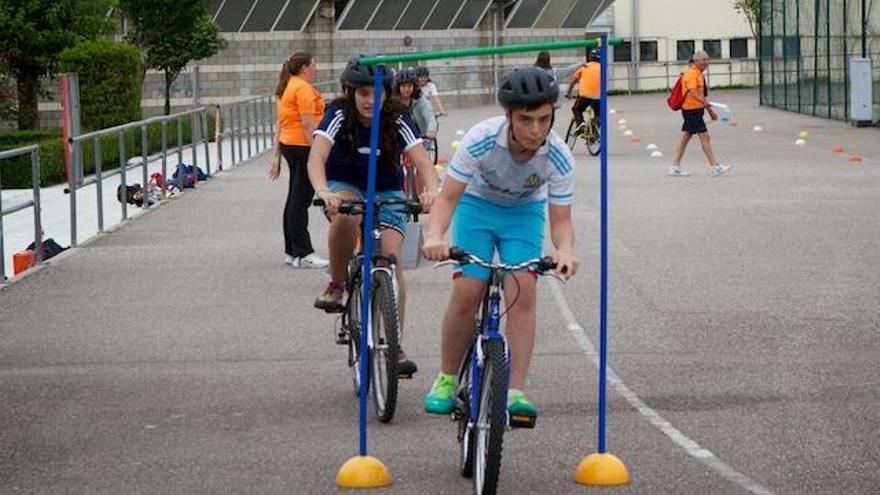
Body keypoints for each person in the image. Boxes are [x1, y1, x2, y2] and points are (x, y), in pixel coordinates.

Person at [422, 67, 579, 421]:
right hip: (476, 207)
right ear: (508, 116)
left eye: (543, 119)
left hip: (523, 214)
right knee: (468, 288)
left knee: (523, 289)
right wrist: (434, 237)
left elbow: (561, 221)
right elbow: (447, 199)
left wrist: (565, 251)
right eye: (525, 120)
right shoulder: (480, 139)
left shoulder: (557, 155)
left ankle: (514, 391)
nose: (536, 129)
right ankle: (446, 378)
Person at [307, 58, 439, 376]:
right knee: (345, 218)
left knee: (391, 261)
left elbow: (422, 160)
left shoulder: (398, 118)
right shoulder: (338, 114)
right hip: (345, 186)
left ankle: (395, 344)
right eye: (363, 93)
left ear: (387, 94)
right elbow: (316, 157)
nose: (370, 100)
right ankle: (338, 283)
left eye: (376, 93)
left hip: (387, 190)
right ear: (350, 92)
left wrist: (431, 191)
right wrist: (325, 191)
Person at [269, 51, 329, 268]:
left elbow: (280, 122)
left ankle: (292, 251)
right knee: (301, 201)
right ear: (305, 67)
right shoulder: (302, 88)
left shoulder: (286, 86)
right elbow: (308, 124)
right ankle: (304, 252)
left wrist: (276, 155)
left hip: (289, 144)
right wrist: (317, 154)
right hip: (303, 146)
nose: (315, 69)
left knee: (293, 199)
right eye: (314, 65)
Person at [668, 50, 732, 177]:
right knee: (704, 136)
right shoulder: (691, 74)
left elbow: (702, 96)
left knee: (685, 137)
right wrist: (705, 104)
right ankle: (715, 166)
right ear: (696, 61)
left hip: (696, 110)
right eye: (703, 60)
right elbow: (692, 92)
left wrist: (710, 111)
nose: (706, 62)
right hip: (691, 111)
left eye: (707, 59)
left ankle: (674, 166)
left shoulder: (699, 74)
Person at [565, 49, 601, 133]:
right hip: (598, 97)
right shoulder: (602, 68)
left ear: (589, 57)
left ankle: (580, 123)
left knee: (576, 109)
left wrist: (568, 93)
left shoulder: (584, 66)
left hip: (585, 95)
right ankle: (595, 133)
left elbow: (573, 81)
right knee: (598, 114)